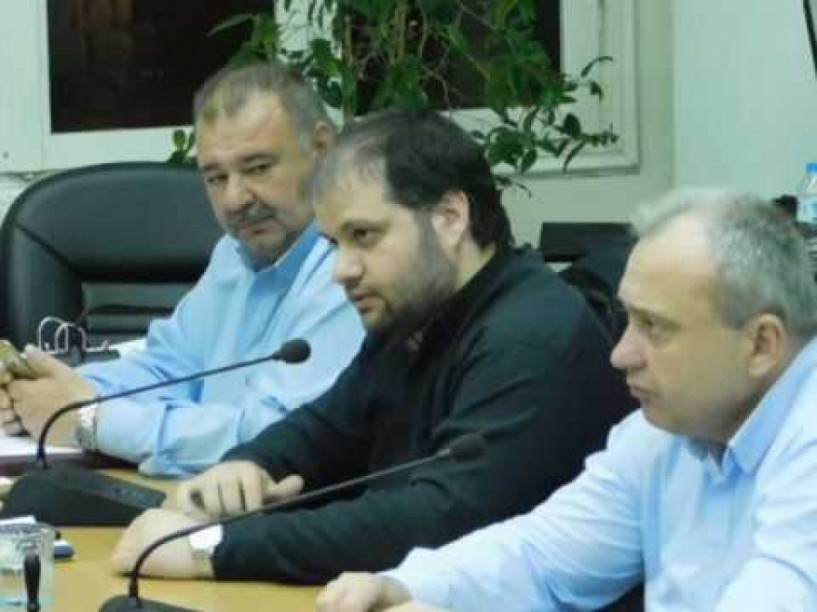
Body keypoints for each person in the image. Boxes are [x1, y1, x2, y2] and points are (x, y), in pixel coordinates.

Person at [109, 109, 634, 583]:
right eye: (335, 244)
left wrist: (215, 548)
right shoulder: (415, 317)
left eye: (364, 236)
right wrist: (249, 466)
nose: (342, 270)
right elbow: (325, 429)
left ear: (450, 218)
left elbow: (439, 519)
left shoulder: (530, 337)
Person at [316, 188, 817, 612]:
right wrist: (405, 586)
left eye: (655, 327)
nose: (621, 354)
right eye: (628, 320)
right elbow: (542, 557)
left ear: (761, 344)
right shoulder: (664, 431)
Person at [0, 61, 364, 476]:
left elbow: (275, 437)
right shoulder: (235, 255)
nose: (235, 200)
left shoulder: (352, 272)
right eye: (215, 178)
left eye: (257, 168)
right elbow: (168, 367)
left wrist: (91, 421)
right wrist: (48, 393)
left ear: (322, 149)